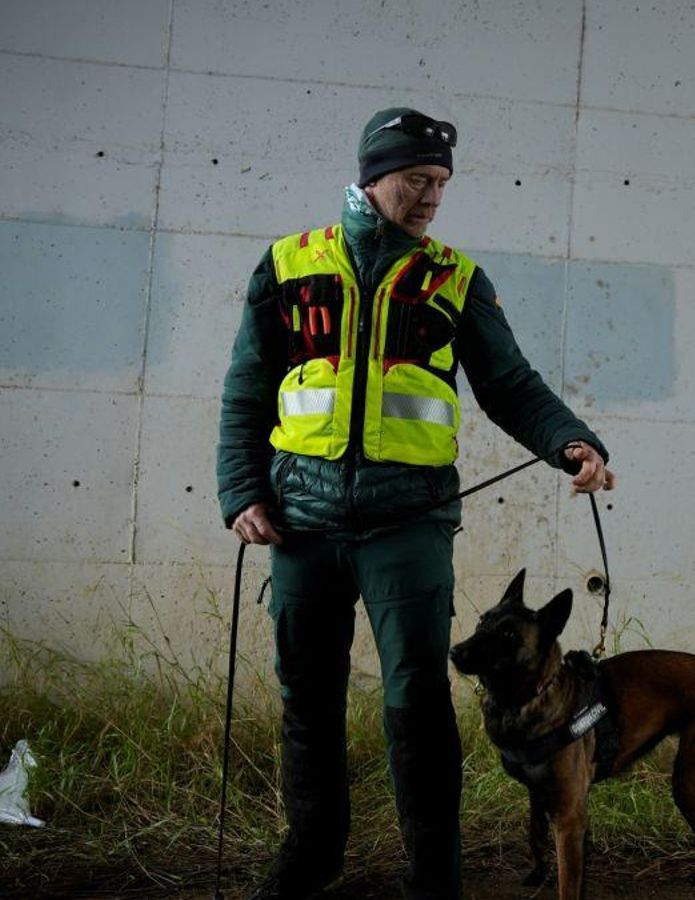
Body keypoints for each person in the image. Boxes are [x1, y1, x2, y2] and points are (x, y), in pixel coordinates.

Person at [216, 107, 613, 900]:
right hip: (300, 525)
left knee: (418, 704)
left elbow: (511, 385)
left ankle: (435, 878)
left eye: (441, 184)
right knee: (308, 699)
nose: (432, 196)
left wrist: (571, 442)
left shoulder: (454, 278)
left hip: (409, 527)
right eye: (417, 181)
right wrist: (240, 493)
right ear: (373, 177)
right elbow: (247, 389)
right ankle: (312, 856)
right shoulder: (289, 264)